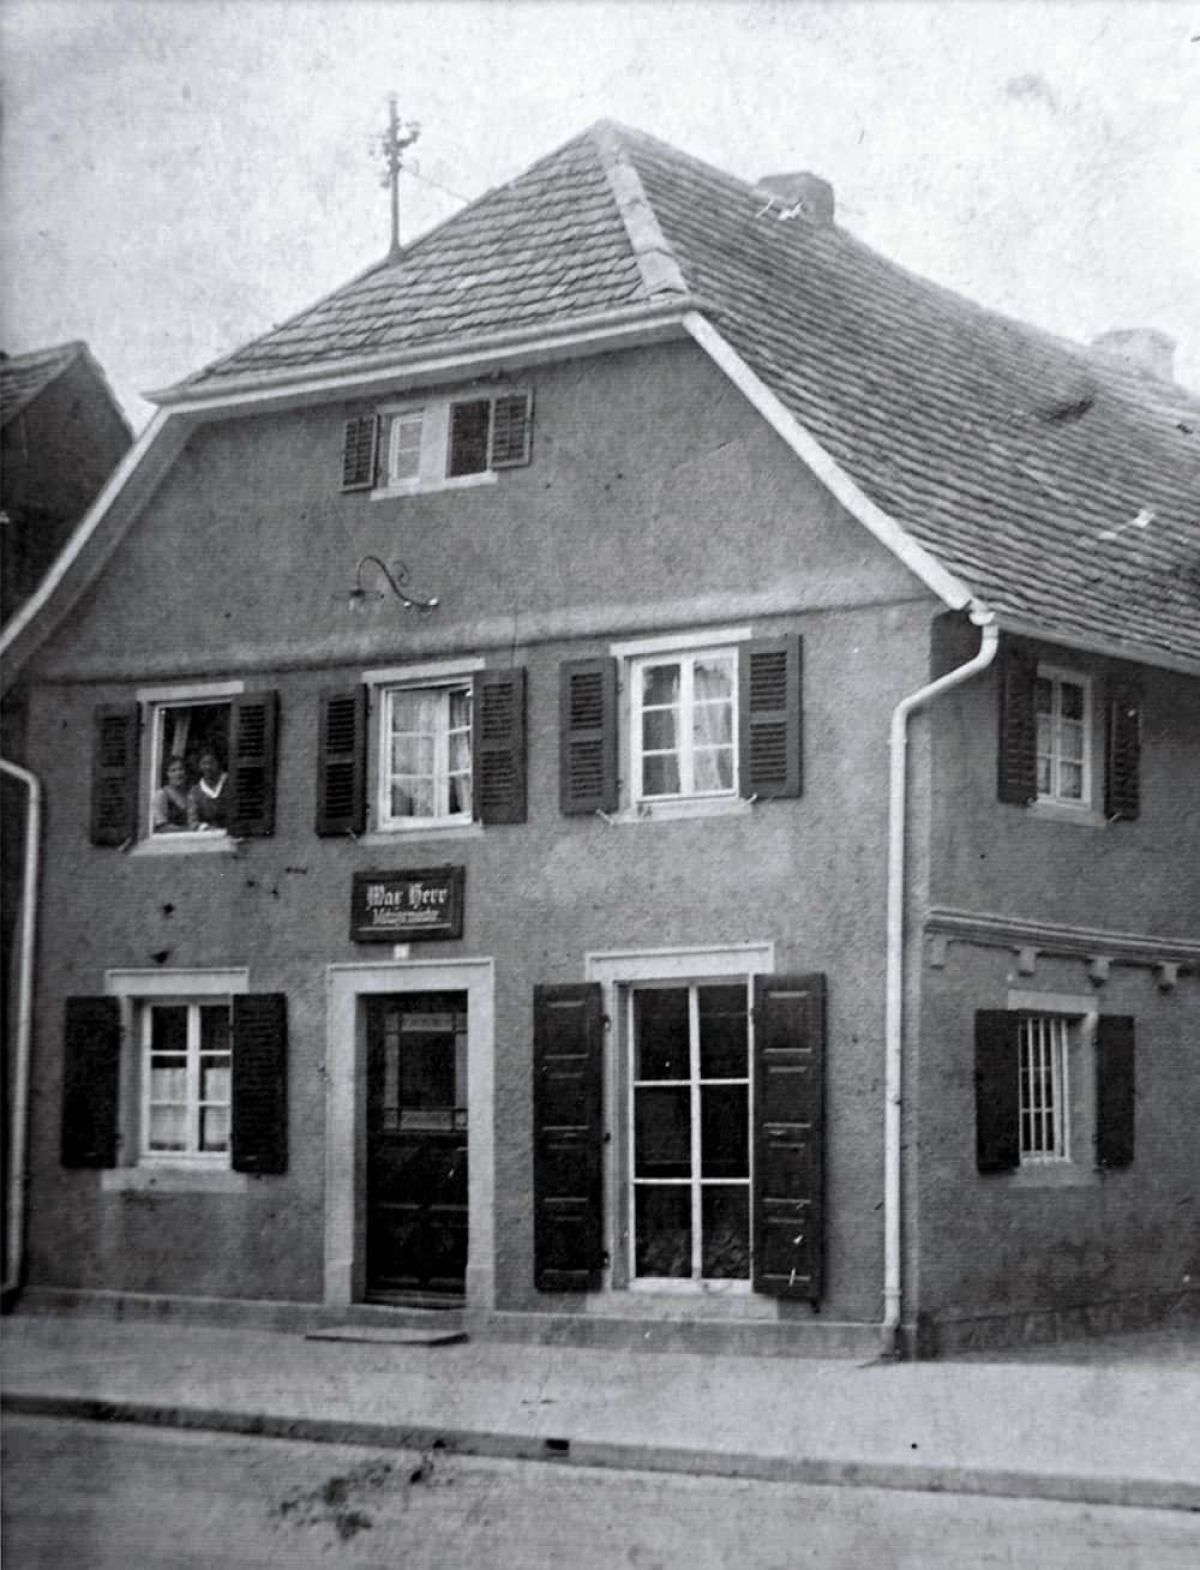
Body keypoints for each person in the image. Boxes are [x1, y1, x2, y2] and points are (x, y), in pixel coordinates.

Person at [188, 749, 229, 831]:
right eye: (204, 763)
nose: (208, 767)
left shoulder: (229, 783)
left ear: (218, 764)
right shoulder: (195, 792)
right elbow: (192, 821)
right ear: (199, 766)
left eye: (211, 763)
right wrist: (206, 828)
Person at [152, 757, 191, 833]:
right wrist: (189, 830)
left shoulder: (189, 795)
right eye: (173, 770)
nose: (178, 773)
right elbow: (162, 827)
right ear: (167, 774)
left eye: (181, 769)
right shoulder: (162, 795)